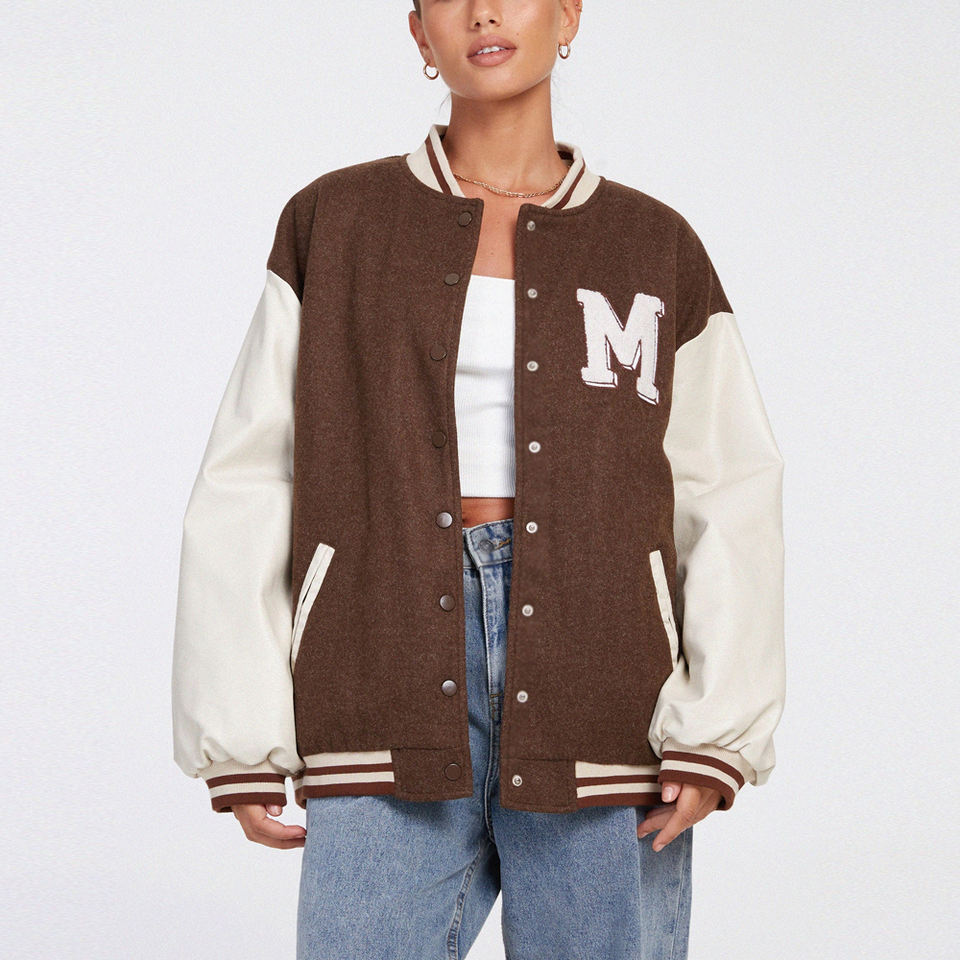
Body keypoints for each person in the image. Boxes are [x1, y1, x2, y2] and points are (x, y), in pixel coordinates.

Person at [171, 2, 786, 957]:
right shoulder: (335, 221)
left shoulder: (653, 245)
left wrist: (718, 729)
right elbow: (250, 475)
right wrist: (239, 733)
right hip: (378, 666)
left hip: (605, 690)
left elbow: (729, 488)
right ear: (420, 32)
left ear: (568, 15)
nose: (485, 11)